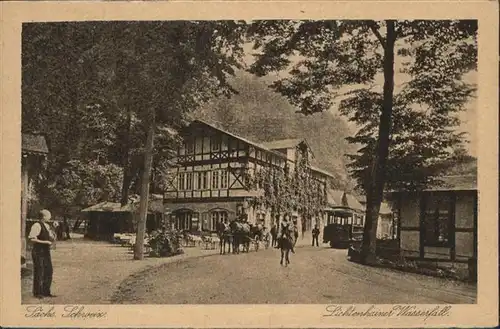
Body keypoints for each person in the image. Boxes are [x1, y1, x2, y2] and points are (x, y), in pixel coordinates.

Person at [28, 209, 56, 298]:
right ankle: (37, 293)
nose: (50, 217)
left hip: (45, 252)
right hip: (38, 251)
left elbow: (52, 238)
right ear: (44, 216)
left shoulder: (47, 226)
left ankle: (46, 291)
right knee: (39, 271)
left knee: (48, 270)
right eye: (49, 215)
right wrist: (45, 242)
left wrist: (54, 229)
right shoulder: (36, 225)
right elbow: (32, 239)